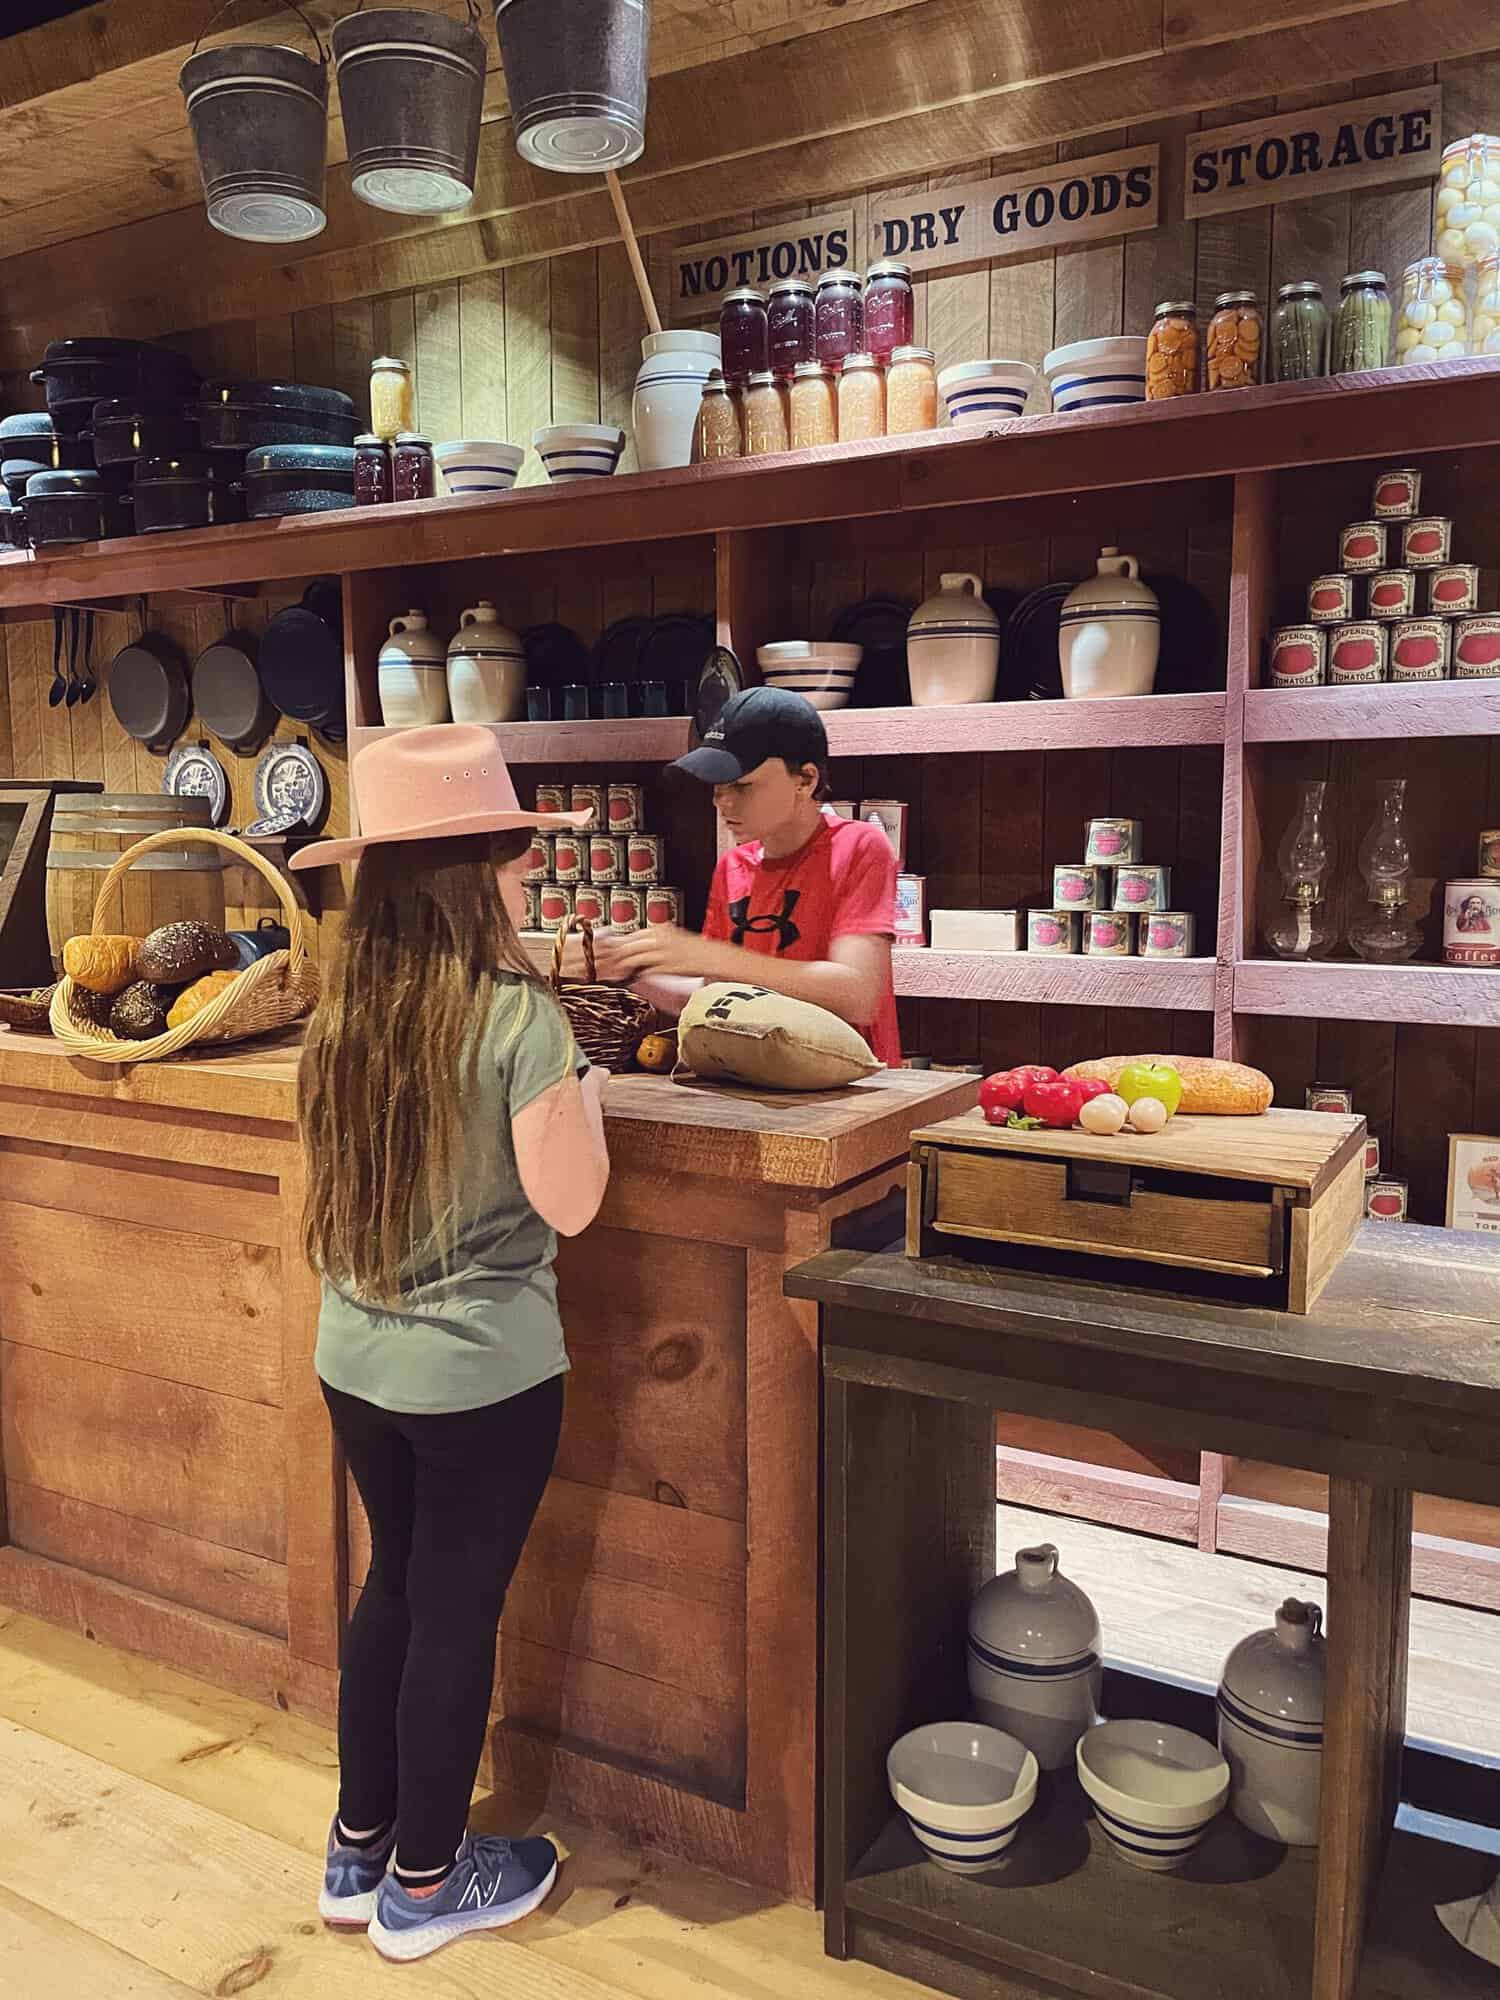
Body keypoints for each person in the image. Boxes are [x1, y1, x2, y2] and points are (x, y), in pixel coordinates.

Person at [288, 725, 610, 1963]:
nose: (531, 869)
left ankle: (356, 1846)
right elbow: (572, 1200)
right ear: (477, 870)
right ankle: (427, 1884)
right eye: (518, 851)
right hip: (484, 1375)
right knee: (456, 1608)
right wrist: (581, 1083)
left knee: (396, 1582)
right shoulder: (519, 1017)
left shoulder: (344, 1013)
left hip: (355, 1361)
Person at [596, 686, 899, 1063]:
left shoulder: (859, 847)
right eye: (718, 786)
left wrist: (709, 955)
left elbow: (857, 995)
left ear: (804, 781)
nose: (721, 801)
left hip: (851, 1088)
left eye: (741, 785)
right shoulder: (732, 866)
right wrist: (626, 970)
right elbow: (716, 997)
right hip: (760, 1080)